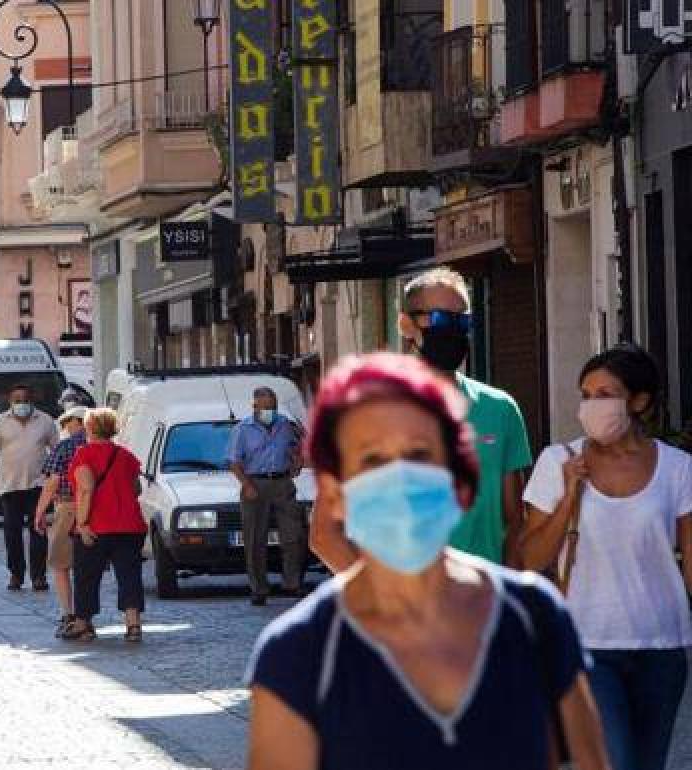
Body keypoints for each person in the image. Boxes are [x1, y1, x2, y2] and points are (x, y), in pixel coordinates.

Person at [246, 352, 609, 770]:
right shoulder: (297, 652)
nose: (400, 478)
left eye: (419, 454)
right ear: (334, 492)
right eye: (372, 460)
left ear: (460, 478)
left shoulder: (534, 618)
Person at [521, 344, 691, 770]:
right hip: (586, 644)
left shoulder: (679, 468)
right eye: (586, 394)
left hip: (662, 646)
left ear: (639, 401)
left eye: (604, 394)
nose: (591, 406)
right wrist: (567, 499)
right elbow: (528, 557)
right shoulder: (557, 460)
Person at [311, 267, 532, 571]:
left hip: (481, 608)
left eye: (462, 320)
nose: (453, 329)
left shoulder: (501, 410)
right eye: (441, 319)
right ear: (406, 324)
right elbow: (325, 535)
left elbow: (515, 522)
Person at [61, 408, 147, 643]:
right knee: (129, 575)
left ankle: (83, 623)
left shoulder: (83, 455)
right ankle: (133, 624)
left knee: (87, 575)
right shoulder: (126, 455)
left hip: (97, 525)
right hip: (129, 525)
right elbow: (136, 488)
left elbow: (86, 489)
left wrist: (82, 523)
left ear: (89, 428)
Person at [227, 386, 306, 605]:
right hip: (254, 484)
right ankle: (259, 588)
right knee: (254, 539)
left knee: (293, 535)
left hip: (282, 483)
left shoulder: (285, 425)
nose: (270, 411)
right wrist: (246, 485)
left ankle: (292, 583)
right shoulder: (242, 429)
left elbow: (294, 450)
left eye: (273, 407)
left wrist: (296, 463)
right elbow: (233, 462)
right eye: (265, 408)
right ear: (255, 407)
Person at [0, 384, 58, 591]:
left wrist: (57, 479)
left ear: (32, 400)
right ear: (10, 402)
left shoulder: (46, 421)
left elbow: (56, 450)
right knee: (11, 532)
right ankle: (16, 573)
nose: (21, 404)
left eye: (25, 399)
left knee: (39, 530)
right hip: (10, 485)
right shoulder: (0, 422)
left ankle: (39, 575)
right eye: (17, 400)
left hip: (38, 484)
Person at [33, 406, 89, 636]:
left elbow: (52, 482)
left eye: (67, 423)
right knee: (86, 567)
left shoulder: (66, 446)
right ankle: (86, 615)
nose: (65, 428)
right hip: (96, 510)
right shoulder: (104, 445)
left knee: (60, 564)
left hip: (68, 507)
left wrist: (39, 511)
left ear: (78, 421)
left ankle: (68, 614)